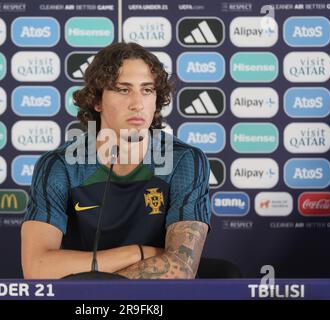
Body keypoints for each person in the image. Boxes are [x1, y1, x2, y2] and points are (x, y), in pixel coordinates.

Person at [21, 42, 211, 279]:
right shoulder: (59, 166)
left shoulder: (184, 161)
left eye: (147, 90)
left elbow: (181, 267)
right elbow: (37, 270)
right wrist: (138, 253)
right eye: (123, 89)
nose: (137, 103)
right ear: (97, 101)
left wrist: (92, 280)